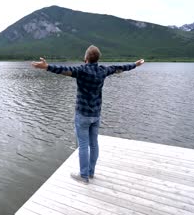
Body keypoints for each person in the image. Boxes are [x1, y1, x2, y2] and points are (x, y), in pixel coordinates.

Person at [31, 45, 144, 184]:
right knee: (94, 144)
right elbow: (120, 67)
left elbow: (63, 70)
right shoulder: (104, 70)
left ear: (86, 58)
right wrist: (135, 64)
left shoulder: (81, 70)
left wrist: (47, 66)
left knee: (83, 145)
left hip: (82, 115)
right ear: (98, 58)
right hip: (96, 115)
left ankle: (83, 176)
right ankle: (90, 173)